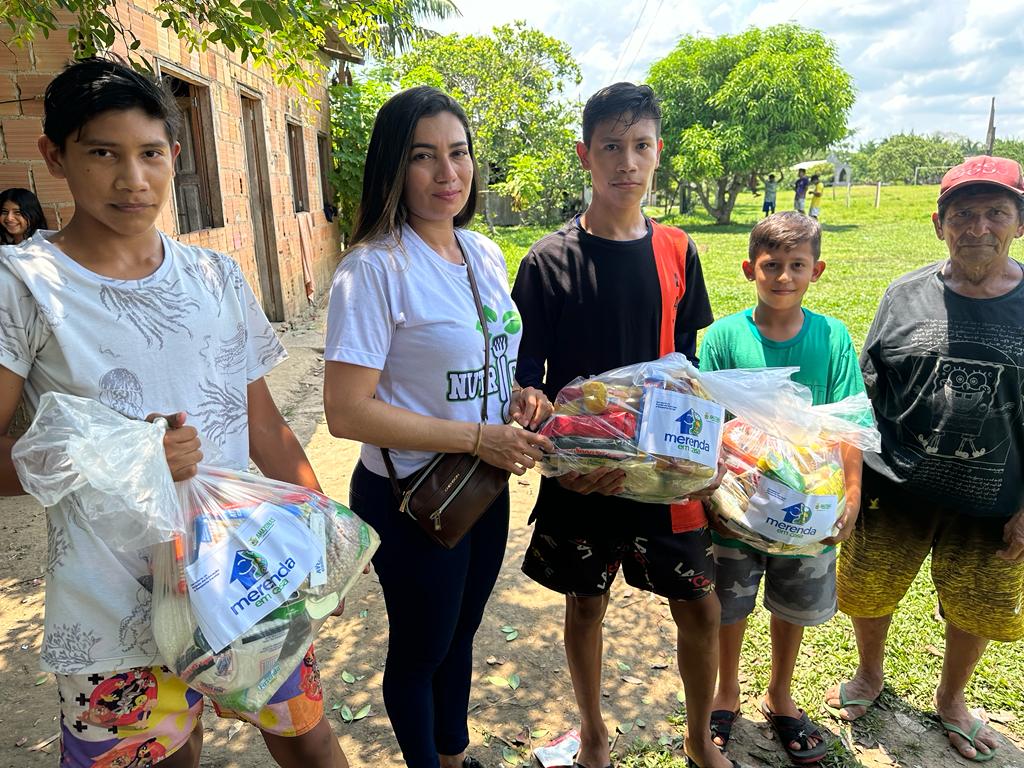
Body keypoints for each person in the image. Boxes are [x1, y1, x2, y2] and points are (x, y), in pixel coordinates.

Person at [0, 58, 349, 768]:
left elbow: (266, 428)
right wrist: (126, 456)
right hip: (112, 615)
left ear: (176, 157)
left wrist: (322, 542)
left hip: (245, 580)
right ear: (54, 156)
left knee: (309, 740)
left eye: (150, 154)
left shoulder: (214, 275)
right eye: (103, 153)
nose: (132, 179)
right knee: (167, 759)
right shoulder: (25, 287)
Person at [321, 86, 554, 768]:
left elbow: (486, 360)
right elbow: (346, 411)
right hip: (410, 497)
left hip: (482, 482)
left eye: (459, 154)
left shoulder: (481, 253)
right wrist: (478, 436)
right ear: (394, 168)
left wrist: (517, 399)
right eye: (424, 157)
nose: (447, 173)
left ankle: (454, 758)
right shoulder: (372, 271)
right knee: (422, 649)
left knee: (464, 632)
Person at [513, 82, 737, 768]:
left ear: (658, 154)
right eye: (611, 146)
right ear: (585, 155)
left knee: (699, 609)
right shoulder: (549, 262)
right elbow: (530, 381)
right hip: (586, 475)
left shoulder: (677, 250)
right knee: (586, 604)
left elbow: (689, 366)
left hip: (667, 473)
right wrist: (558, 436)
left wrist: (701, 450)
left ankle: (700, 741)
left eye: (640, 146)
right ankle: (593, 736)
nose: (626, 162)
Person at [825, 155, 1024, 763]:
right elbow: (866, 387)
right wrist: (847, 481)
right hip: (895, 490)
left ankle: (953, 700)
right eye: (963, 214)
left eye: (996, 212)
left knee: (979, 605)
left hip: (993, 503)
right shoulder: (903, 294)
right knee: (865, 589)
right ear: (940, 224)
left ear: (1018, 222)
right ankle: (869, 675)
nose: (979, 227)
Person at [700, 211, 864, 765]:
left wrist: (853, 491)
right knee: (728, 602)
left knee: (792, 603)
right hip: (738, 506)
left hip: (810, 509)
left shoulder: (832, 337)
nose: (783, 277)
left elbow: (850, 421)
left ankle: (780, 693)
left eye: (797, 266)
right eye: (772, 266)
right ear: (751, 268)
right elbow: (708, 419)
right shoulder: (724, 337)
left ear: (817, 270)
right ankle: (726, 693)